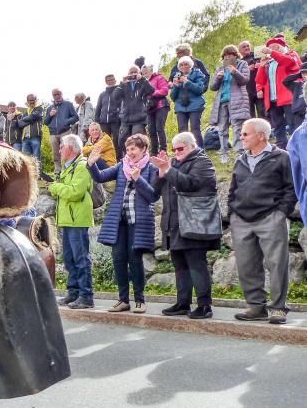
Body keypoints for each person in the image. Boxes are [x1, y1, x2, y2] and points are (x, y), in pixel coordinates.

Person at [228, 119, 296, 324]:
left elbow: (291, 188)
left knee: (277, 264)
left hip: (270, 218)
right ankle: (256, 307)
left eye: (245, 134)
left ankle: (278, 308)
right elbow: (233, 189)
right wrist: (232, 212)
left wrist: (281, 212)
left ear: (261, 135)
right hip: (241, 219)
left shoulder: (282, 157)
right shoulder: (240, 160)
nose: (241, 137)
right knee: (246, 265)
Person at [151, 132, 218, 319]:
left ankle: (205, 305)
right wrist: (161, 172)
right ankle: (183, 303)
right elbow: (154, 192)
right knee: (180, 265)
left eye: (180, 148)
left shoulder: (202, 162)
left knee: (197, 264)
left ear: (191, 146)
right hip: (174, 222)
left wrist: (169, 169)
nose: (176, 152)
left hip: (193, 222)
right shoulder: (174, 164)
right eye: (174, 149)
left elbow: (191, 184)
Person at [88, 134, 159, 313]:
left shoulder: (151, 168)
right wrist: (92, 163)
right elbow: (101, 177)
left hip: (139, 221)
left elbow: (153, 196)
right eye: (128, 149)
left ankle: (140, 300)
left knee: (135, 260)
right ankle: (123, 300)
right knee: (118, 258)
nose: (130, 152)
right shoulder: (122, 165)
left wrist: (138, 179)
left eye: (134, 148)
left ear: (143, 149)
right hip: (119, 221)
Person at [49, 134, 94, 309]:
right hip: (68, 220)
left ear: (71, 148)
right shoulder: (69, 168)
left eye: (62, 146)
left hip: (77, 220)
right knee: (69, 258)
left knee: (81, 258)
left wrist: (55, 187)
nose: (59, 149)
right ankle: (73, 292)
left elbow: (76, 192)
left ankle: (86, 295)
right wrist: (57, 188)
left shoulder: (82, 166)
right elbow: (64, 192)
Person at [256, 36, 302, 148]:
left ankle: (297, 147)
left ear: (281, 47)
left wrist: (272, 53)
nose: (271, 48)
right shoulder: (269, 62)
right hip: (272, 99)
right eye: (269, 47)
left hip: (288, 97)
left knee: (293, 124)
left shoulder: (290, 55)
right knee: (277, 126)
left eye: (274, 46)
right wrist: (262, 67)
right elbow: (259, 80)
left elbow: (290, 63)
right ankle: (282, 149)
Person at [209, 44, 251, 163]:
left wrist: (235, 72)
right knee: (222, 129)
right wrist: (218, 78)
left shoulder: (242, 64)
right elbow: (212, 87)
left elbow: (245, 80)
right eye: (226, 56)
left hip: (238, 101)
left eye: (231, 55)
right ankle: (224, 154)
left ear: (236, 55)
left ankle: (239, 153)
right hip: (222, 101)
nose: (228, 57)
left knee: (238, 127)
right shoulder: (220, 68)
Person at [114, 65, 155, 153]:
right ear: (128, 74)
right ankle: (127, 157)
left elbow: (151, 90)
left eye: (135, 72)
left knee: (138, 139)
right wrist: (122, 83)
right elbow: (115, 96)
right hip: (125, 118)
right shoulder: (124, 84)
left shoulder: (142, 82)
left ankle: (141, 156)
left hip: (139, 118)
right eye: (131, 72)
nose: (133, 74)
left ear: (139, 73)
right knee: (122, 140)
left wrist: (143, 80)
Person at [170, 56, 206, 148]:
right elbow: (173, 97)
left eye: (186, 64)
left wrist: (187, 82)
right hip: (180, 107)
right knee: (182, 131)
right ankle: (185, 151)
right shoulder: (177, 76)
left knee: (195, 129)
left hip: (195, 105)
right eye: (181, 65)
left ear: (190, 65)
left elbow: (200, 90)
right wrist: (176, 86)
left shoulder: (198, 74)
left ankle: (199, 151)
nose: (183, 66)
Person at [44, 89, 79, 178]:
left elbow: (76, 117)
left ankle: (67, 171)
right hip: (53, 134)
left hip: (65, 132)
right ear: (53, 96)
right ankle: (57, 173)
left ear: (61, 94)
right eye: (54, 95)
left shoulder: (68, 104)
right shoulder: (49, 108)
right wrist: (50, 115)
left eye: (58, 94)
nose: (57, 96)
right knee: (56, 154)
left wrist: (66, 121)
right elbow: (46, 122)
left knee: (67, 152)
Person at [141, 64, 170, 155]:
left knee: (160, 127)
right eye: (143, 73)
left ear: (151, 71)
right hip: (150, 108)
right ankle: (154, 151)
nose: (145, 74)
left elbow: (164, 91)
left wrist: (152, 92)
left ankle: (163, 150)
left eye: (146, 72)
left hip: (161, 105)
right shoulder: (142, 82)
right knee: (151, 130)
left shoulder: (159, 78)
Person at [95, 74, 121, 160]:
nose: (110, 81)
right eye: (109, 80)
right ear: (106, 82)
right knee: (104, 142)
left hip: (116, 121)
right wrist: (97, 121)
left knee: (117, 141)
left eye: (112, 79)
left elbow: (122, 105)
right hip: (103, 122)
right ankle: (105, 160)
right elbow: (98, 108)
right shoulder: (102, 94)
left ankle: (118, 159)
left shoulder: (119, 91)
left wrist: (119, 116)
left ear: (115, 80)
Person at [239, 40, 266, 120]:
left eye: (248, 46)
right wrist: (247, 69)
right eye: (244, 47)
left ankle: (265, 131)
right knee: (250, 114)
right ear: (240, 50)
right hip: (246, 91)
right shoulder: (239, 62)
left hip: (259, 89)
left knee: (262, 112)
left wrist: (261, 65)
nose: (247, 48)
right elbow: (235, 75)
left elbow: (267, 64)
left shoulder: (257, 55)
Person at [18, 93, 44, 165]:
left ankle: (38, 175)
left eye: (33, 100)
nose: (32, 102)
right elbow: (20, 124)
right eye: (30, 100)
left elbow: (34, 116)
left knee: (36, 159)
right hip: (25, 138)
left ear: (36, 100)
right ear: (27, 101)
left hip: (35, 137)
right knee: (26, 160)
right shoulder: (26, 112)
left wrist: (24, 119)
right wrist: (30, 119)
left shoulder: (39, 108)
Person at [283, 62, 307, 130]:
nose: (305, 75)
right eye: (303, 73)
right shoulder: (297, 85)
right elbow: (285, 81)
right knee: (300, 132)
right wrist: (299, 75)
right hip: (299, 113)